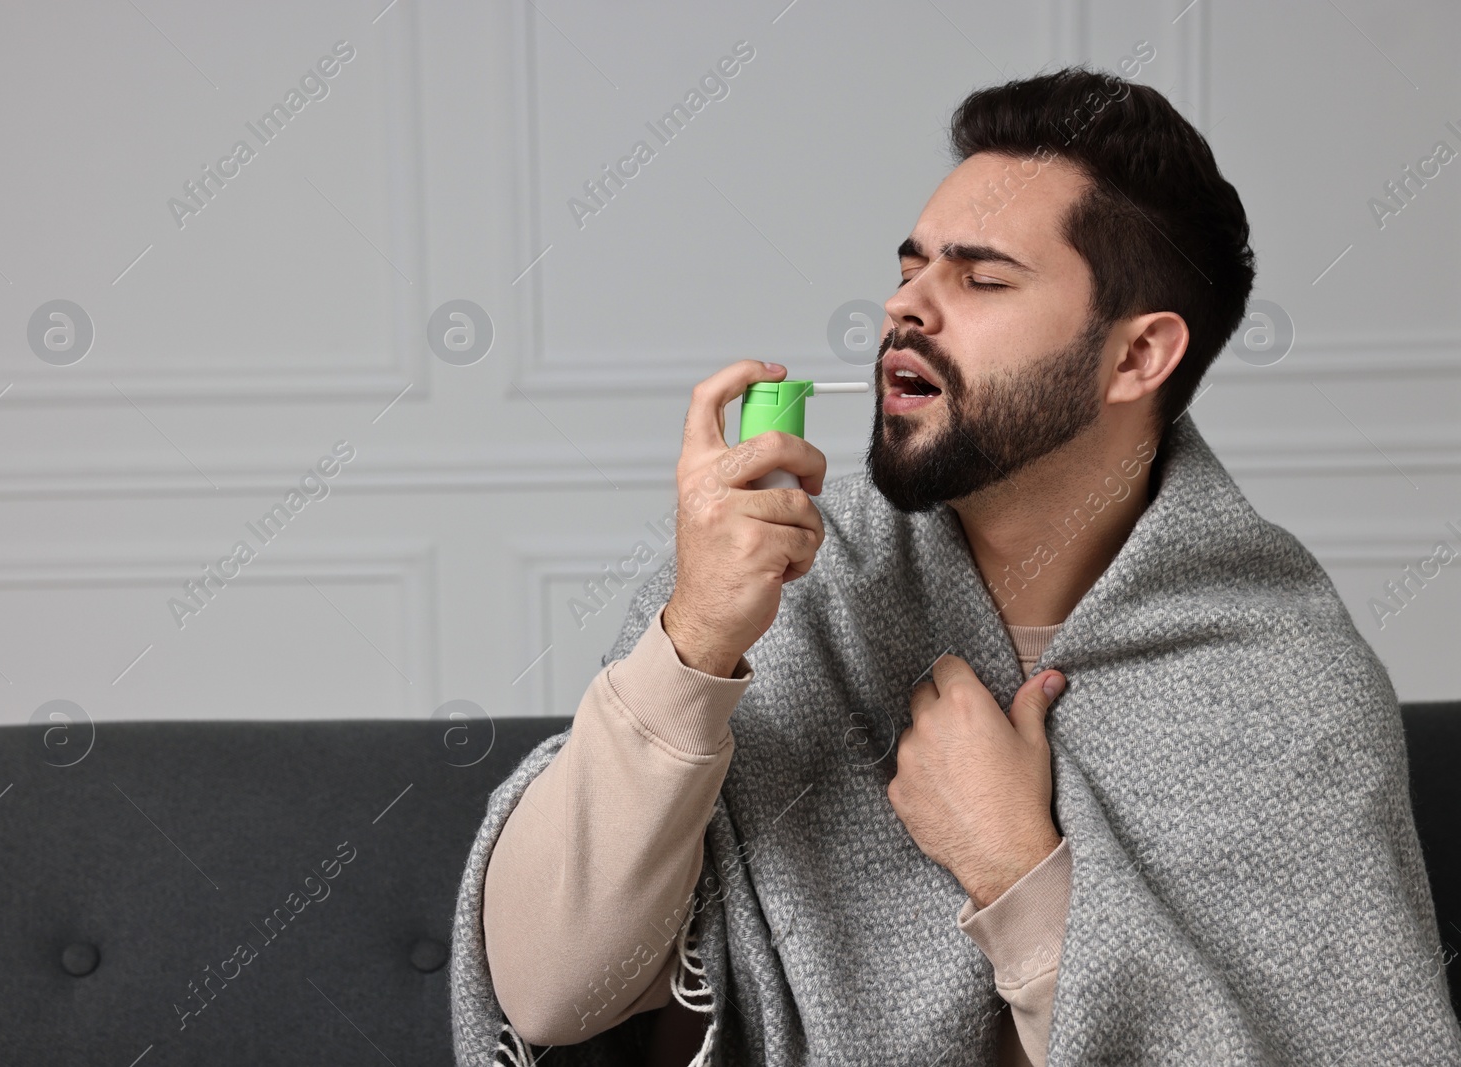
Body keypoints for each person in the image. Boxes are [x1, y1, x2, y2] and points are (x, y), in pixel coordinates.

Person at [453, 67, 1461, 1066]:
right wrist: (696, 640)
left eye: (980, 280)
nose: (905, 309)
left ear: (1136, 357)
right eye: (910, 269)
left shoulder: (1285, 682)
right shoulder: (789, 593)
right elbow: (546, 994)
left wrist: (1014, 868)